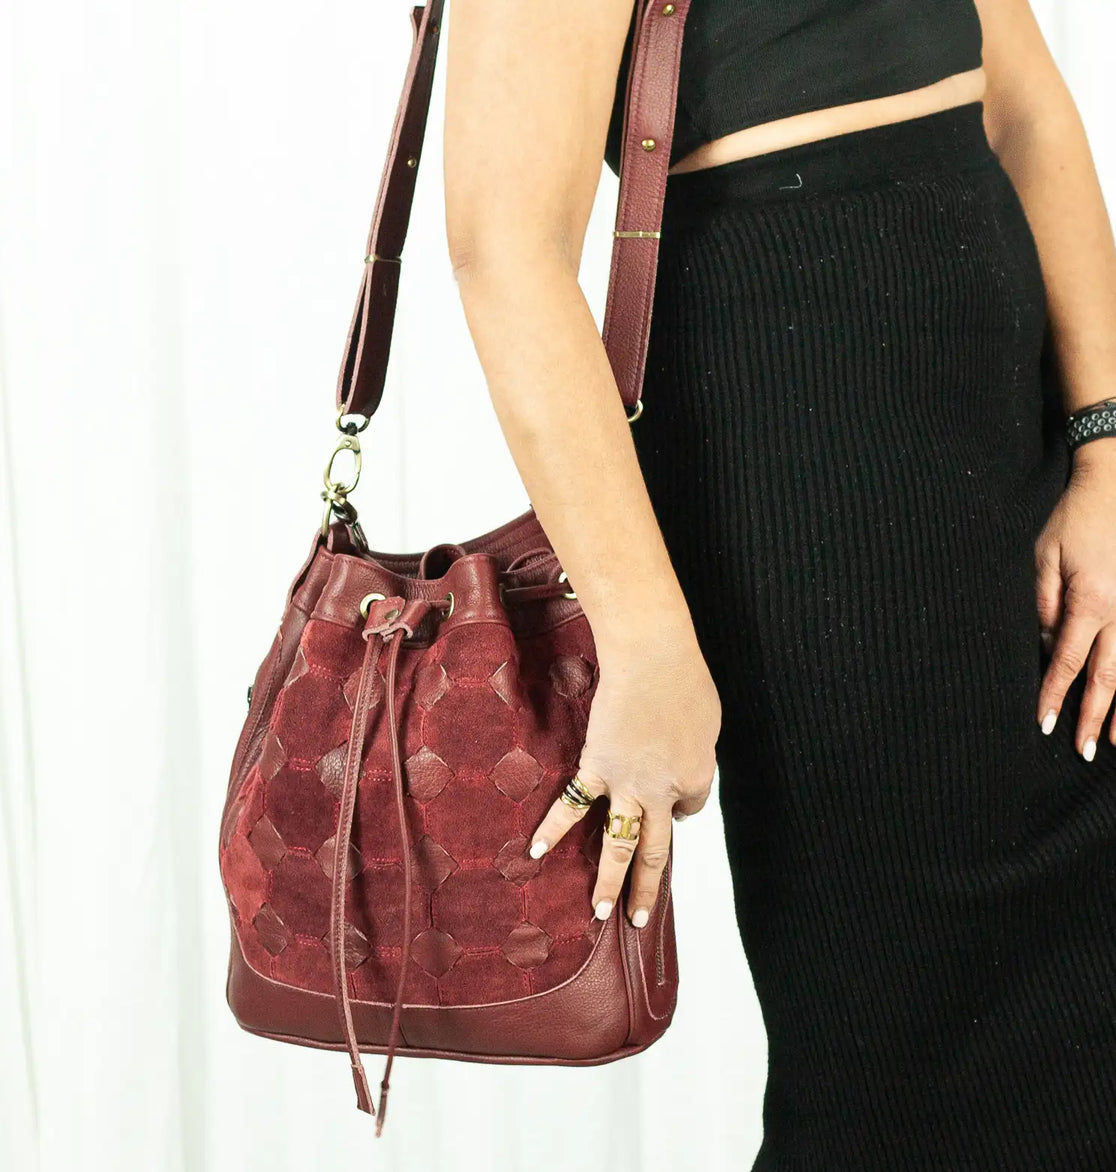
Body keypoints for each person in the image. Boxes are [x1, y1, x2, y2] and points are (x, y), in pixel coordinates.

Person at [442, 0, 1116, 1167]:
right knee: (900, 1034)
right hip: (806, 431)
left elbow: (1022, 104)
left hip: (1015, 415)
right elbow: (504, 244)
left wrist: (1109, 447)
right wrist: (647, 637)